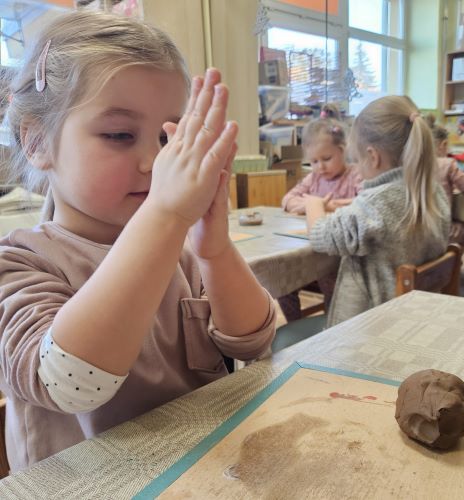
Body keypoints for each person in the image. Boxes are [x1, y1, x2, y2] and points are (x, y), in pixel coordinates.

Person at [0, 11, 275, 472]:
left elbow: (252, 342)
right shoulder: (21, 263)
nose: (154, 162)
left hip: (194, 468)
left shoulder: (182, 252)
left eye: (169, 139)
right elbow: (69, 383)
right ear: (37, 142)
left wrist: (214, 251)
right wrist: (165, 216)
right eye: (119, 135)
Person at [305, 96, 450, 327]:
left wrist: (313, 203)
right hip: (416, 321)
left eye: (358, 159)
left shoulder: (376, 203)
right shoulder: (433, 192)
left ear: (373, 156)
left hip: (369, 328)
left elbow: (321, 236)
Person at [279, 118, 362, 322]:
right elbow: (287, 200)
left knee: (330, 282)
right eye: (314, 161)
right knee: (282, 280)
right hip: (309, 248)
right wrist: (313, 205)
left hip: (339, 255)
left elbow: (364, 202)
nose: (320, 167)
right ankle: (295, 324)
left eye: (326, 158)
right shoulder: (313, 178)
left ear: (342, 150)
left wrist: (324, 205)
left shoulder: (355, 175)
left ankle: (331, 321)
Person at [425, 114, 464, 248]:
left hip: (418, 231)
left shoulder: (412, 165)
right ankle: (454, 258)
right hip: (442, 231)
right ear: (444, 145)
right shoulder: (447, 164)